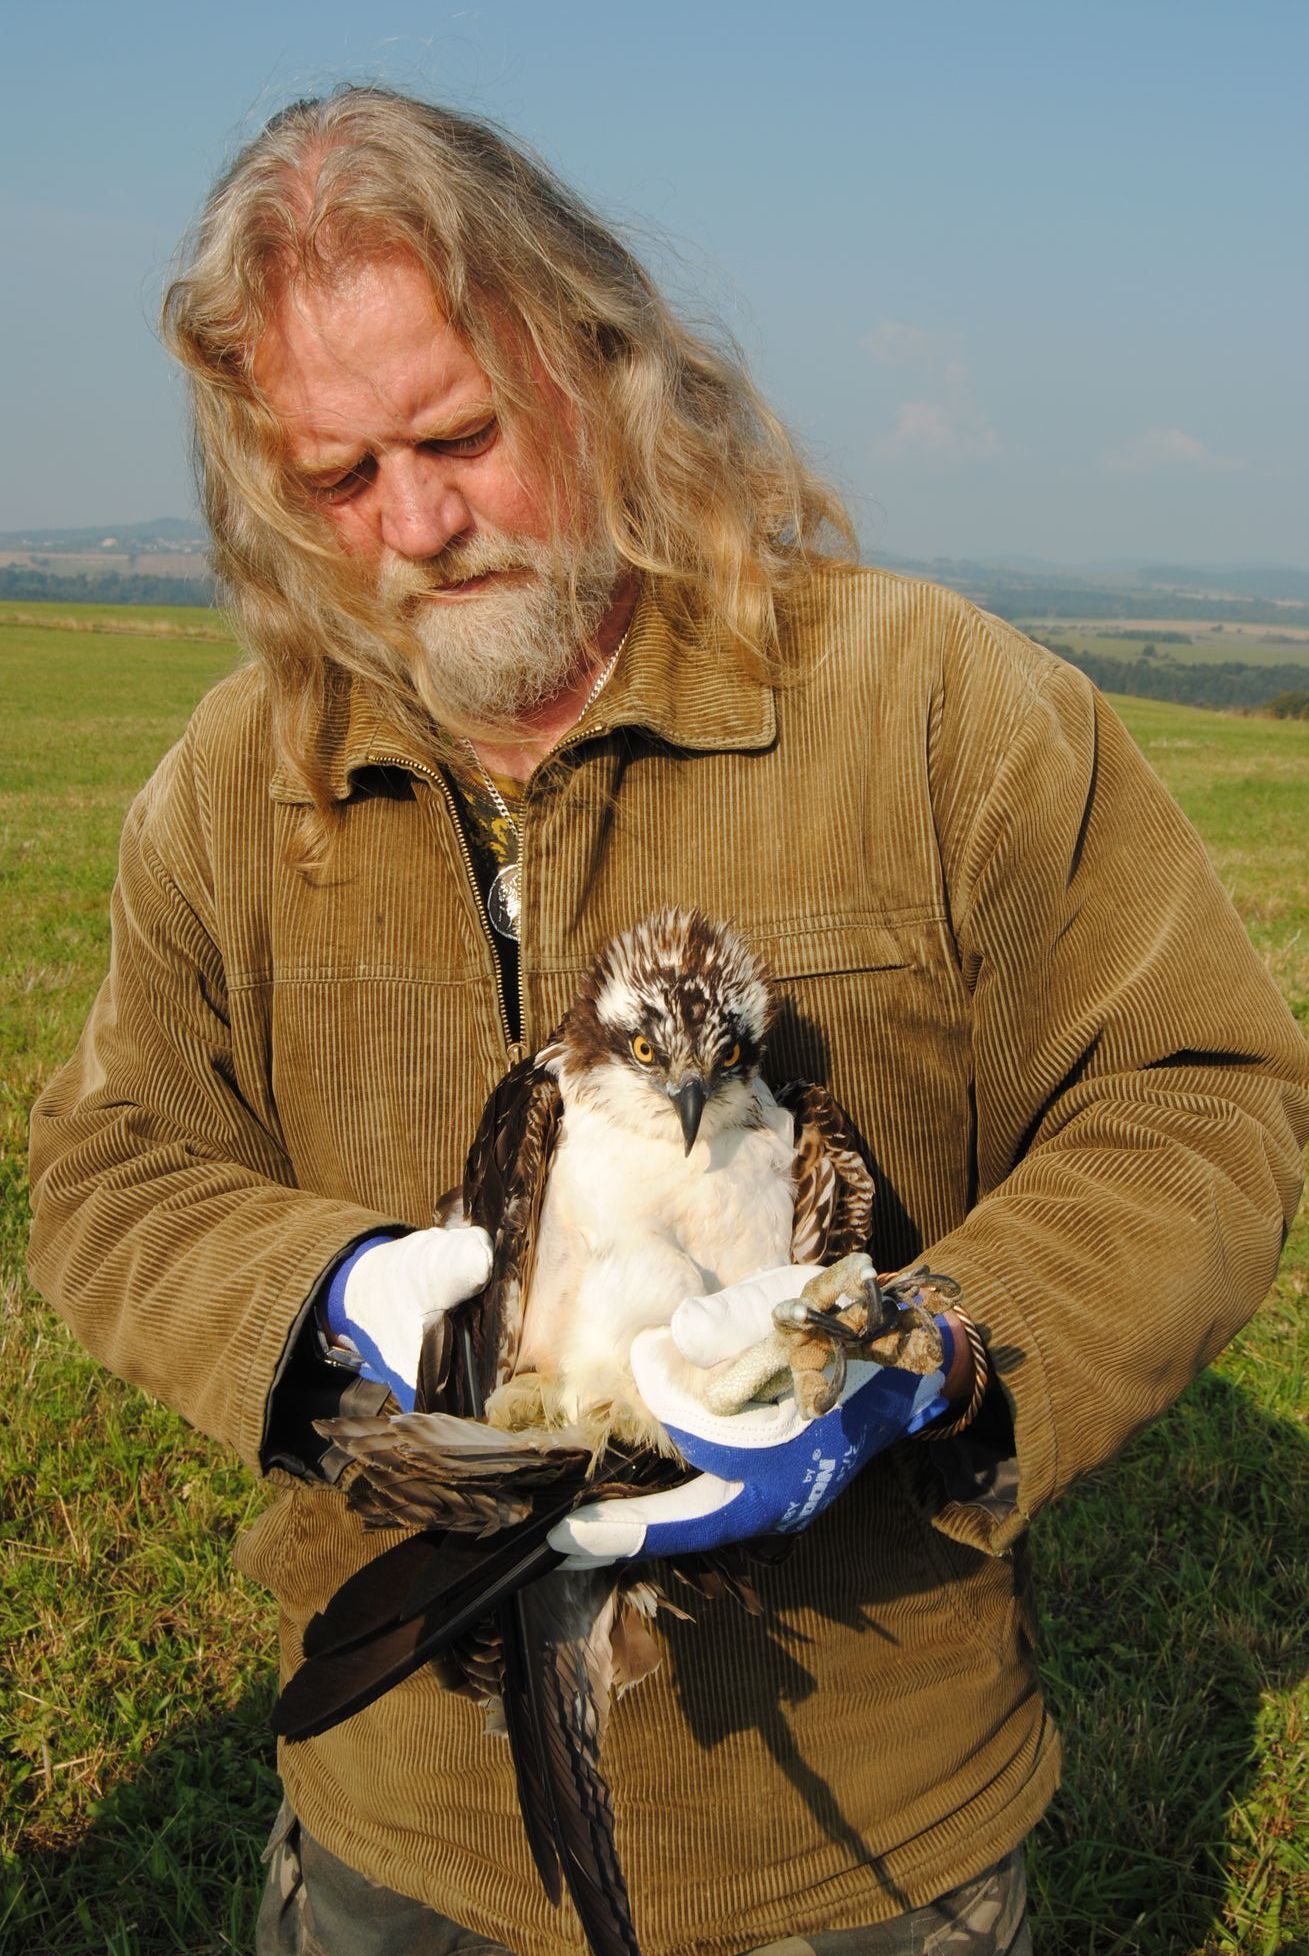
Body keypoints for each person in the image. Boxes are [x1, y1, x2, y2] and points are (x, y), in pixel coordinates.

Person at [26, 87, 1308, 1956]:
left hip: (854, 1831)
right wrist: (318, 1300)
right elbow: (106, 1170)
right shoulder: (242, 780)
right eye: (337, 478)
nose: (419, 522)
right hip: (406, 1811)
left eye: (458, 434)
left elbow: (1196, 1099)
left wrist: (930, 1343)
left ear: (597, 364)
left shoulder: (932, 706)